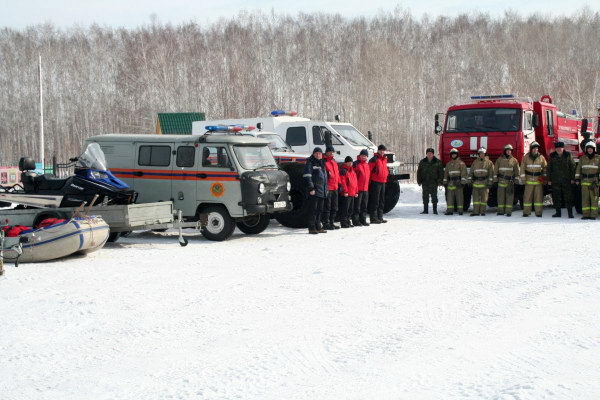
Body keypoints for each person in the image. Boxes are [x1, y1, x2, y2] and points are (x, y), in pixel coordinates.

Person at [547, 141, 576, 218]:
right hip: (555, 180)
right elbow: (549, 168)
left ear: (563, 148)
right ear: (555, 149)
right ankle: (558, 213)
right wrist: (549, 180)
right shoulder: (552, 156)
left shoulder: (568, 155)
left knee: (568, 197)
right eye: (557, 148)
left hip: (566, 180)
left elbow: (572, 167)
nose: (559, 149)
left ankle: (570, 213)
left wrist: (573, 178)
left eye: (560, 148)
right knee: (556, 197)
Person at [303, 147, 328, 234]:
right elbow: (307, 176)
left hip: (322, 190)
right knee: (313, 210)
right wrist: (311, 188)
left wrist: (326, 189)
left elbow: (324, 178)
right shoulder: (310, 162)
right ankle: (311, 227)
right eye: (316, 153)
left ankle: (318, 227)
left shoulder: (322, 163)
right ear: (313, 154)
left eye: (320, 153)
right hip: (314, 190)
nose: (318, 155)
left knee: (319, 210)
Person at [520, 141, 547, 217]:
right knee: (527, 197)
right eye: (534, 148)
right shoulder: (526, 157)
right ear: (531, 149)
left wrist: (544, 177)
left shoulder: (541, 157)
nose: (536, 150)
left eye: (537, 148)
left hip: (538, 181)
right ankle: (526, 212)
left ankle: (538, 213)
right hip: (528, 180)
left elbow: (545, 168)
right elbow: (522, 168)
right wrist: (523, 178)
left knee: (538, 198)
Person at [575, 141, 600, 220]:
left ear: (594, 149)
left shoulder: (598, 158)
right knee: (585, 199)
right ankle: (585, 214)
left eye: (591, 149)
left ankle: (593, 215)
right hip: (584, 181)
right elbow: (578, 169)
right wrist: (577, 179)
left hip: (594, 182)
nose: (589, 150)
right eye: (588, 149)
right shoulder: (582, 158)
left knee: (594, 199)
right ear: (586, 149)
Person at [494, 144, 520, 216]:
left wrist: (516, 180)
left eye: (510, 150)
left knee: (509, 197)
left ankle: (508, 212)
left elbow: (517, 172)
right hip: (501, 181)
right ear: (505, 151)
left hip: (510, 182)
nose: (509, 152)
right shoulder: (499, 160)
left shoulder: (514, 160)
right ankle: (500, 211)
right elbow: (495, 170)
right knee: (500, 197)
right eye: (507, 150)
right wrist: (495, 180)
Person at [416, 147, 444, 214]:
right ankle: (425, 210)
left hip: (434, 182)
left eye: (431, 153)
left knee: (434, 197)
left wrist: (440, 182)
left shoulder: (438, 162)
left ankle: (435, 210)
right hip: (425, 182)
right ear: (426, 154)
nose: (429, 154)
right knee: (425, 196)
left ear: (433, 154)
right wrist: (419, 181)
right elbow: (419, 172)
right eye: (428, 153)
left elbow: (441, 173)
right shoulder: (422, 162)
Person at [468, 147, 494, 216]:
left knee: (484, 199)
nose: (481, 155)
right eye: (480, 153)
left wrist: (490, 182)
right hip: (476, 183)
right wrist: (470, 180)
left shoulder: (489, 163)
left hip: (485, 183)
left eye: (483, 153)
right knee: (475, 200)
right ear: (478, 154)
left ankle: (482, 212)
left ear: (485, 154)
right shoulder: (475, 162)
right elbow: (471, 172)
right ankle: (475, 212)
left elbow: (491, 173)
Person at [368, 144, 389, 224]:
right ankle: (373, 218)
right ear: (378, 151)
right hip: (375, 182)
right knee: (375, 200)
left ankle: (380, 217)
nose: (382, 152)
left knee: (381, 200)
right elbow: (369, 170)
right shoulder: (374, 159)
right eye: (381, 150)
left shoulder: (384, 159)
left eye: (383, 150)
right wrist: (369, 182)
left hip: (383, 181)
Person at [321, 146, 341, 230]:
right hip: (328, 187)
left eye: (333, 152)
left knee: (334, 206)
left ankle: (332, 222)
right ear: (327, 152)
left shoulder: (334, 161)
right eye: (330, 152)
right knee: (327, 206)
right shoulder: (323, 161)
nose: (332, 153)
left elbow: (337, 174)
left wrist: (340, 184)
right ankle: (326, 223)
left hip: (335, 187)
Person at [443, 148, 467, 215]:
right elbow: (446, 174)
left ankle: (460, 211)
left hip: (458, 182)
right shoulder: (448, 164)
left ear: (457, 155)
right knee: (450, 197)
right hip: (450, 183)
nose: (453, 155)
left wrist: (463, 183)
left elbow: (464, 173)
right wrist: (445, 182)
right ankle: (450, 211)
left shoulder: (461, 163)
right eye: (452, 154)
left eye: (455, 154)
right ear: (451, 155)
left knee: (459, 197)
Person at [339, 156, 358, 228]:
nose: (350, 164)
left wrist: (356, 191)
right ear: (345, 163)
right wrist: (345, 191)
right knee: (345, 209)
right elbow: (343, 182)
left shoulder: (352, 171)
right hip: (346, 193)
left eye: (351, 163)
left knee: (350, 209)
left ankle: (348, 221)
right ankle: (343, 222)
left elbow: (355, 182)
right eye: (348, 163)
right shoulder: (343, 170)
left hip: (352, 193)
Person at [353, 149, 370, 226]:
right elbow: (353, 176)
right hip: (358, 188)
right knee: (357, 206)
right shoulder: (356, 164)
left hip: (365, 188)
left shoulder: (367, 165)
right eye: (362, 155)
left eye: (365, 156)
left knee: (364, 205)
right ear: (360, 156)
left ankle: (363, 220)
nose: (364, 157)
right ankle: (356, 221)